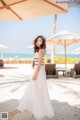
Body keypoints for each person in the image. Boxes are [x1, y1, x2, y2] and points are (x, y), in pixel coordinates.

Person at [16, 35, 54, 119]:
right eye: (37, 40)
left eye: (40, 41)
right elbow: (37, 63)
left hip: (39, 72)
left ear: (43, 42)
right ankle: (38, 110)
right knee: (38, 90)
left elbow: (40, 64)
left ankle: (38, 111)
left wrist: (35, 74)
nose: (38, 42)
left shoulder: (41, 50)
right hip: (39, 71)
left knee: (38, 90)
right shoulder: (41, 50)